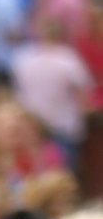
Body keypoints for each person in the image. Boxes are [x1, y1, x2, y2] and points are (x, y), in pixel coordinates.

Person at [12, 16, 92, 173]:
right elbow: (83, 94)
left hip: (34, 126)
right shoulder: (68, 58)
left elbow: (18, 92)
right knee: (64, 173)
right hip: (63, 125)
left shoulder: (23, 58)